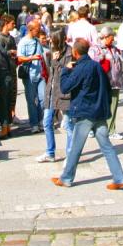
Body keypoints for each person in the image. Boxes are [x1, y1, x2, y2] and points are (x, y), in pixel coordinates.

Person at [51, 39, 123, 190]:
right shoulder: (96, 66)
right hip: (99, 112)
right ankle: (119, 178)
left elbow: (65, 87)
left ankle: (66, 178)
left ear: (75, 52)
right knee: (107, 146)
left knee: (75, 147)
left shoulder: (80, 68)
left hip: (85, 112)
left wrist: (65, 70)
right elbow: (106, 86)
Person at [37, 29, 70, 163]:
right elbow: (51, 71)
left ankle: (70, 155)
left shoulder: (70, 53)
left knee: (68, 125)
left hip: (64, 93)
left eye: (53, 40)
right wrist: (53, 61)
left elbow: (65, 72)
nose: (50, 41)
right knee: (47, 122)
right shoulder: (51, 52)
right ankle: (50, 152)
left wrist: (56, 62)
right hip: (51, 91)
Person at [96, 25, 123, 140]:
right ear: (105, 36)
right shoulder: (96, 49)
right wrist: (101, 58)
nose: (113, 40)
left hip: (115, 82)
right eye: (111, 38)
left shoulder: (114, 48)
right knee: (102, 106)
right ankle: (100, 129)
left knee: (113, 106)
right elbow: (93, 63)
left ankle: (111, 130)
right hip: (103, 82)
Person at [17, 20, 46, 133]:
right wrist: (31, 58)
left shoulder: (37, 41)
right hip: (29, 75)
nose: (39, 32)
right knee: (31, 100)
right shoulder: (23, 42)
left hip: (40, 74)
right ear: (30, 29)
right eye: (37, 30)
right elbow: (20, 58)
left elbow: (42, 55)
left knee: (43, 98)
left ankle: (41, 120)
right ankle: (34, 123)